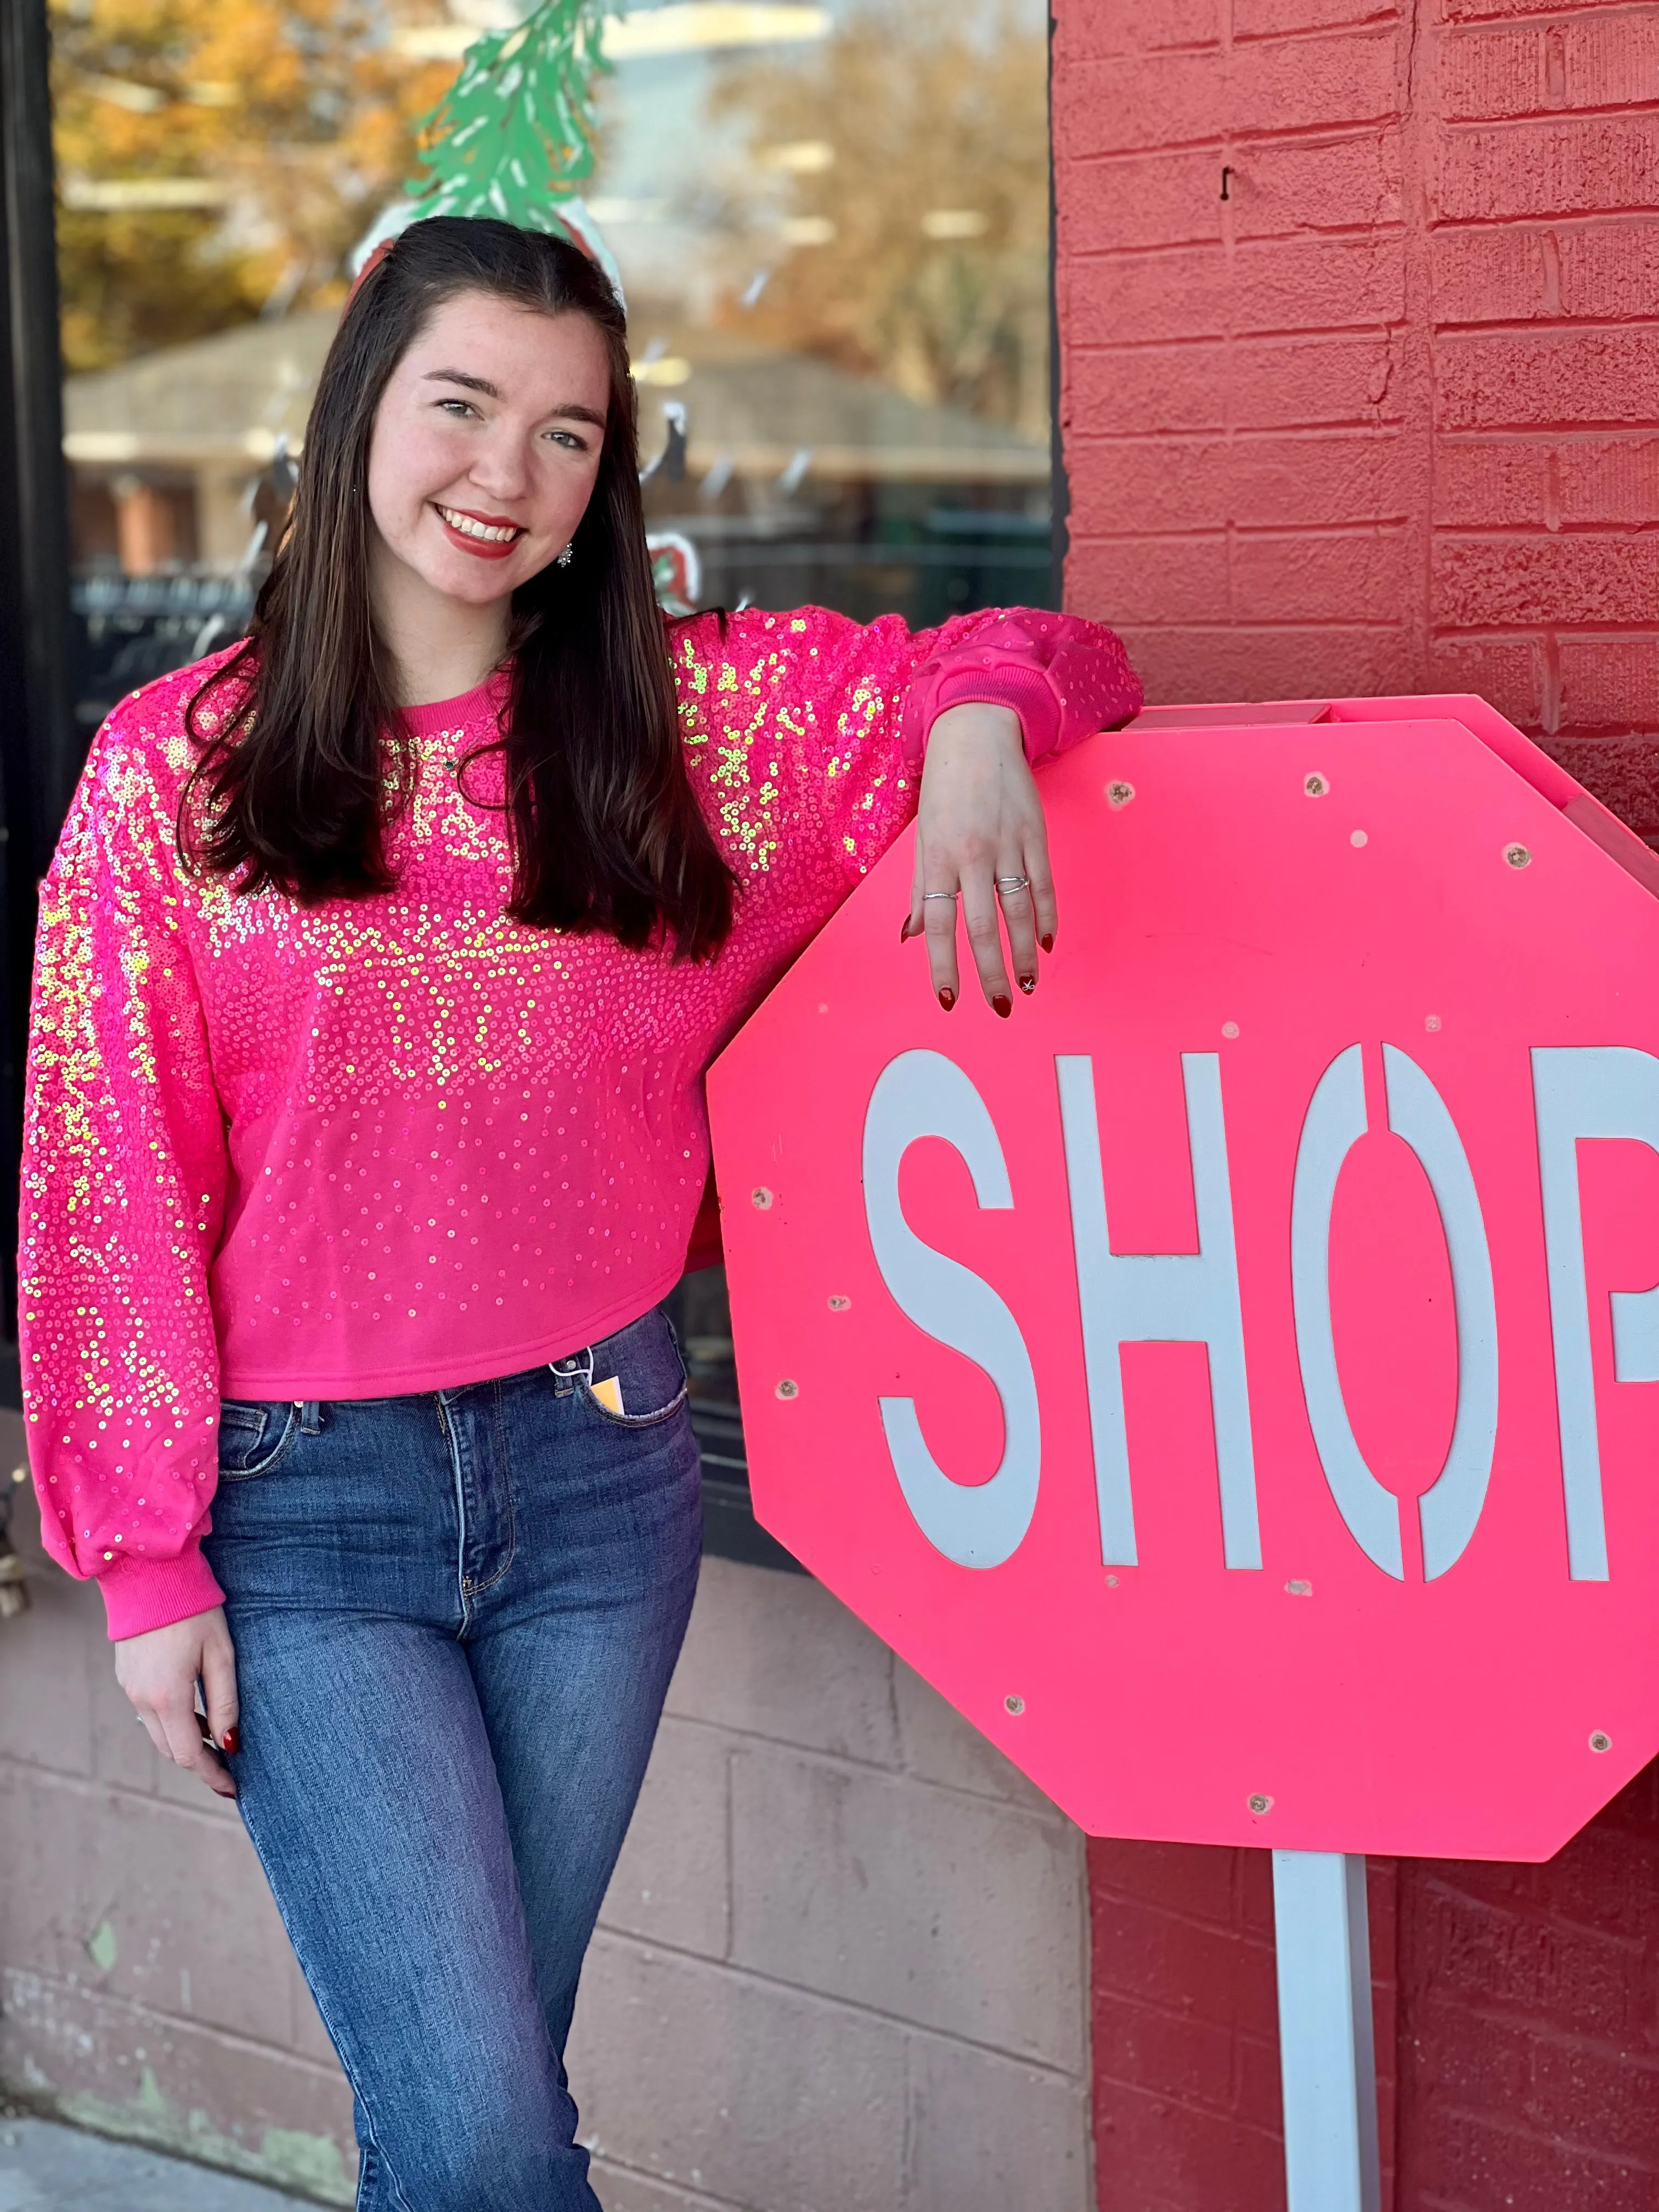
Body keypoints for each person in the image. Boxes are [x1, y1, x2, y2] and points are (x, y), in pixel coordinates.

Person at [18, 216, 1140, 2210]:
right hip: (309, 1525)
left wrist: (978, 735)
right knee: (484, 2138)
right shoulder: (173, 773)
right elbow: (108, 1185)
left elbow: (1062, 650)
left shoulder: (686, 739)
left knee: (473, 2119)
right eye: (463, 406)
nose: (506, 476)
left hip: (605, 1490)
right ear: (364, 401)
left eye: (567, 435)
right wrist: (145, 1566)